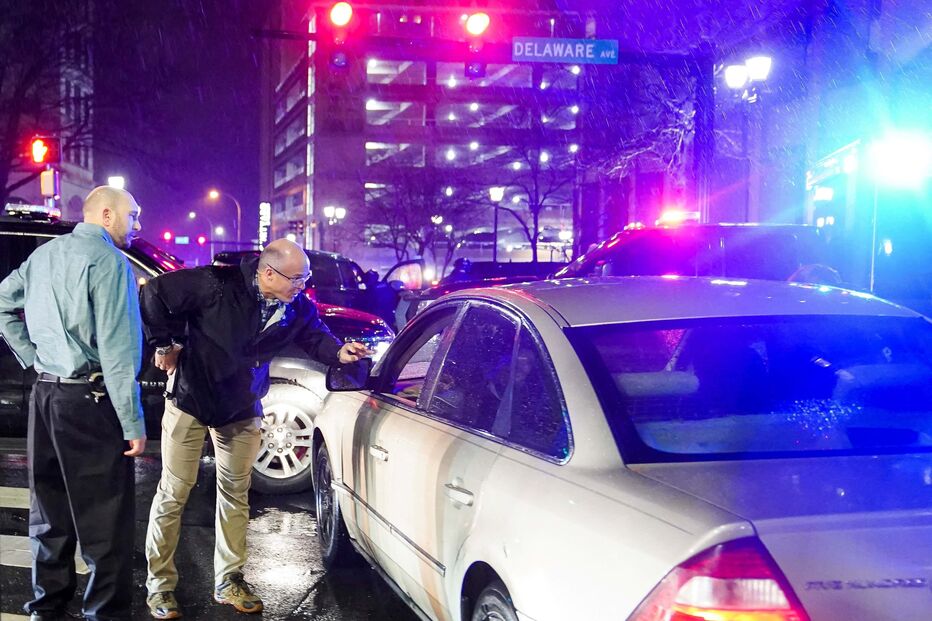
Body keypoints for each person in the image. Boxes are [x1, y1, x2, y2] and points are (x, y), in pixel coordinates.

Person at [140, 238, 369, 620]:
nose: (302, 286)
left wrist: (339, 353)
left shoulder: (295, 306)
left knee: (235, 493)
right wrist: (165, 344)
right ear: (267, 273)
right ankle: (160, 586)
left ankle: (228, 580)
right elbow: (156, 294)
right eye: (296, 278)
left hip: (242, 407)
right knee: (174, 492)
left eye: (305, 277)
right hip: (191, 400)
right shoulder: (217, 284)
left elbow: (314, 336)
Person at [0, 186, 146, 621]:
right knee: (105, 519)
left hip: (45, 396)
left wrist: (31, 356)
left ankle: (48, 606)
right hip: (89, 399)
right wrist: (132, 423)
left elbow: (3, 303)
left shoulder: (44, 255)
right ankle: (103, 613)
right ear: (107, 214)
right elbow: (119, 353)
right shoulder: (110, 263)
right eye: (133, 216)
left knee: (49, 509)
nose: (137, 225)